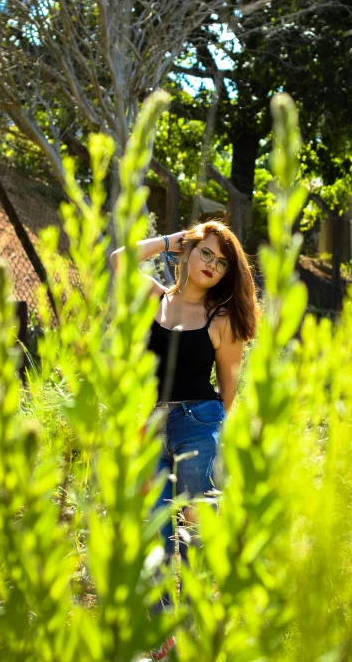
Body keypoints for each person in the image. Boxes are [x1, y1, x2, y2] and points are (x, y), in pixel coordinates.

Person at [110, 220, 258, 659]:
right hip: (151, 425)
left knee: (196, 535)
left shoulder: (223, 318)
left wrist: (213, 438)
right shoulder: (155, 298)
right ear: (187, 253)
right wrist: (173, 239)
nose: (212, 264)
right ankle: (163, 635)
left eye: (222, 261)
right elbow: (118, 262)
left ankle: (191, 637)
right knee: (151, 529)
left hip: (200, 422)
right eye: (205, 253)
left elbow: (228, 388)